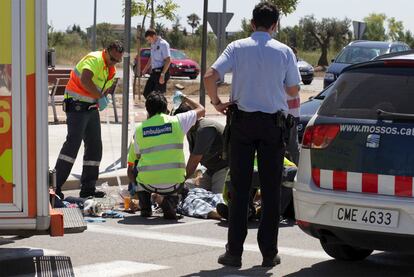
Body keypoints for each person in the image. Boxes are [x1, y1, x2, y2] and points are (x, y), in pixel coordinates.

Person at [204, 2, 301, 268]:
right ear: (275, 25)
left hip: (242, 125)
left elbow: (210, 75)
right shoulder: (284, 52)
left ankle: (234, 253)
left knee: (240, 188)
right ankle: (269, 253)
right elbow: (293, 91)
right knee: (271, 190)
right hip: (273, 127)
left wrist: (216, 102)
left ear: (251, 23)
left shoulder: (236, 47)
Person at [54, 41, 124, 199]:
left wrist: (103, 97)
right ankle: (54, 187)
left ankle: (88, 188)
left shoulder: (110, 69)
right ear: (105, 51)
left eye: (117, 61)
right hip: (77, 106)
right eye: (112, 58)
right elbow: (86, 79)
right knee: (72, 145)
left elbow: (104, 88)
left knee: (94, 146)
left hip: (91, 108)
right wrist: (100, 96)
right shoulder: (95, 59)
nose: (114, 62)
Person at [127, 92, 205, 219]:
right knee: (175, 185)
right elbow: (201, 109)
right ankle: (169, 203)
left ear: (147, 110)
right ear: (165, 108)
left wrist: (134, 187)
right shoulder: (178, 121)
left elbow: (133, 163)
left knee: (136, 165)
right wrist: (184, 98)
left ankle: (145, 206)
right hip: (174, 183)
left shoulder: (140, 129)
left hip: (147, 184)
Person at [174, 104, 228, 193]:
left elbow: (194, 161)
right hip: (211, 169)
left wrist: (178, 183)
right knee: (192, 191)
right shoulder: (190, 130)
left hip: (224, 167)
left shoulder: (204, 129)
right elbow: (193, 158)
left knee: (218, 199)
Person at [141, 29, 171, 99]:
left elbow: (168, 60)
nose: (148, 41)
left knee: (158, 97)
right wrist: (145, 69)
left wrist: (162, 74)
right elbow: (151, 58)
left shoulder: (163, 44)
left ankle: (163, 109)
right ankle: (153, 109)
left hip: (162, 72)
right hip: (154, 72)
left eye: (149, 39)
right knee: (147, 93)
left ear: (154, 36)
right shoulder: (153, 44)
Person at [286, 46, 301, 164]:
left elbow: (294, 90)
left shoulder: (290, 71)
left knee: (292, 146)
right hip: (290, 113)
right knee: (292, 146)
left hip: (290, 114)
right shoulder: (290, 70)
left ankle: (296, 170)